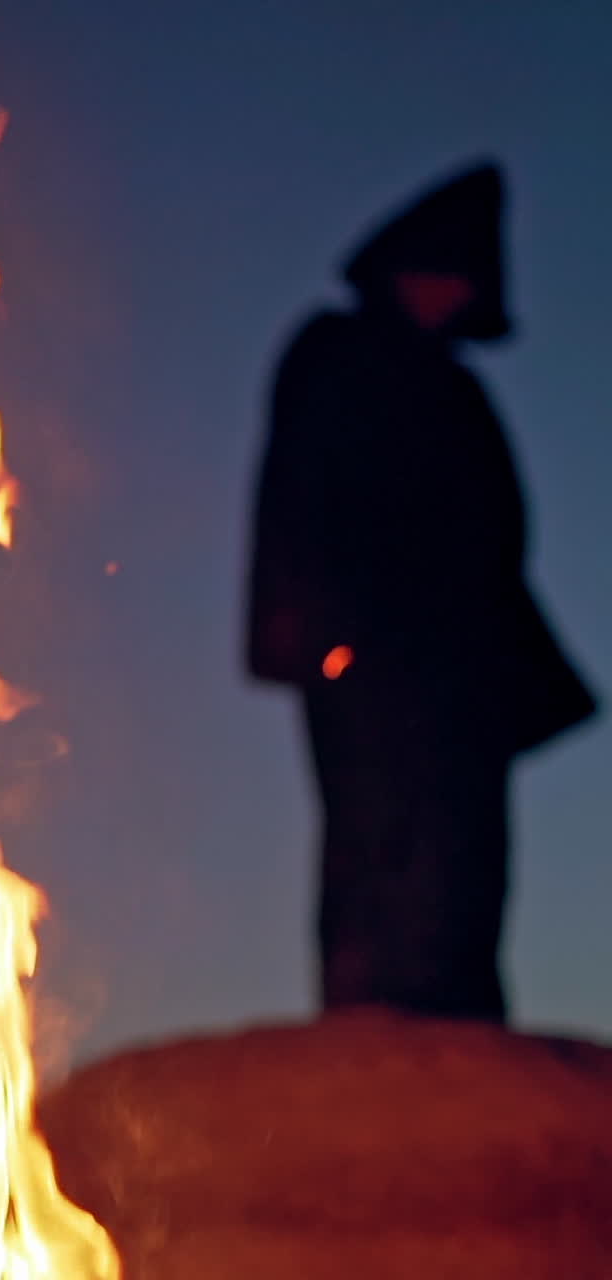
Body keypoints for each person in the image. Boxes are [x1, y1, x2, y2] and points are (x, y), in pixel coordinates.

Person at [244, 159, 598, 1021]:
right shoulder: (340, 355)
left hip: (465, 677)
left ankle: (456, 1025)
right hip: (377, 662)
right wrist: (328, 638)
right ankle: (381, 1026)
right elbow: (300, 498)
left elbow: (490, 541)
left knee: (466, 858)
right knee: (387, 847)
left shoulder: (455, 387)